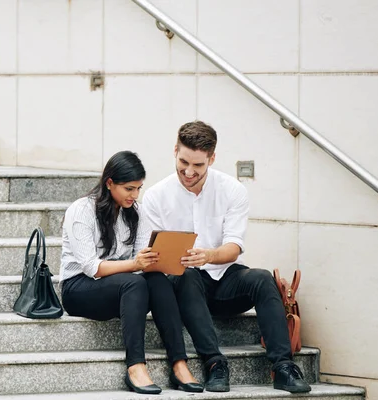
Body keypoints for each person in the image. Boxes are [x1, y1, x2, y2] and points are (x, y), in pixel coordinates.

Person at [142, 121, 312, 394]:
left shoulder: (232, 190)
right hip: (185, 285)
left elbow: (233, 247)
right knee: (186, 276)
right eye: (183, 161)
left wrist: (208, 255)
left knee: (261, 278)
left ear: (212, 158)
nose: (188, 171)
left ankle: (283, 367)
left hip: (225, 280)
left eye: (198, 165)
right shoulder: (155, 196)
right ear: (175, 150)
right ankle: (214, 363)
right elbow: (150, 256)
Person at [60, 150, 204, 395]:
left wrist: (166, 259)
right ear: (109, 183)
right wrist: (136, 265)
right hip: (79, 288)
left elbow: (141, 260)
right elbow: (91, 267)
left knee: (158, 280)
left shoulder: (135, 212)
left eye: (138, 188)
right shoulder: (81, 210)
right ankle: (135, 366)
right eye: (129, 189)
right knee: (134, 284)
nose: (135, 195)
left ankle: (179, 363)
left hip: (120, 286)